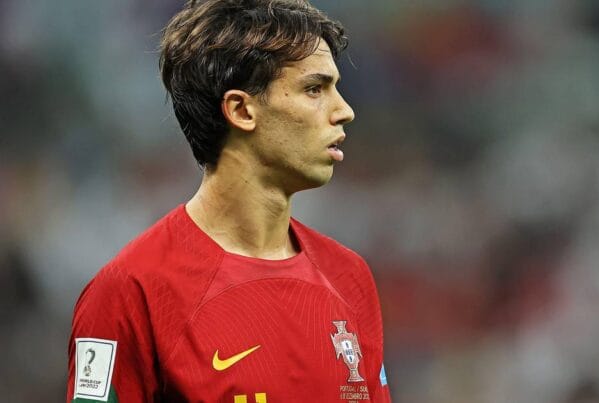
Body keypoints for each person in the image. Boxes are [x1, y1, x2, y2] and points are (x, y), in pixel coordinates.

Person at [66, 1, 390, 402]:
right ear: (241, 109)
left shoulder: (350, 277)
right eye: (314, 89)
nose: (345, 111)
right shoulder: (131, 292)